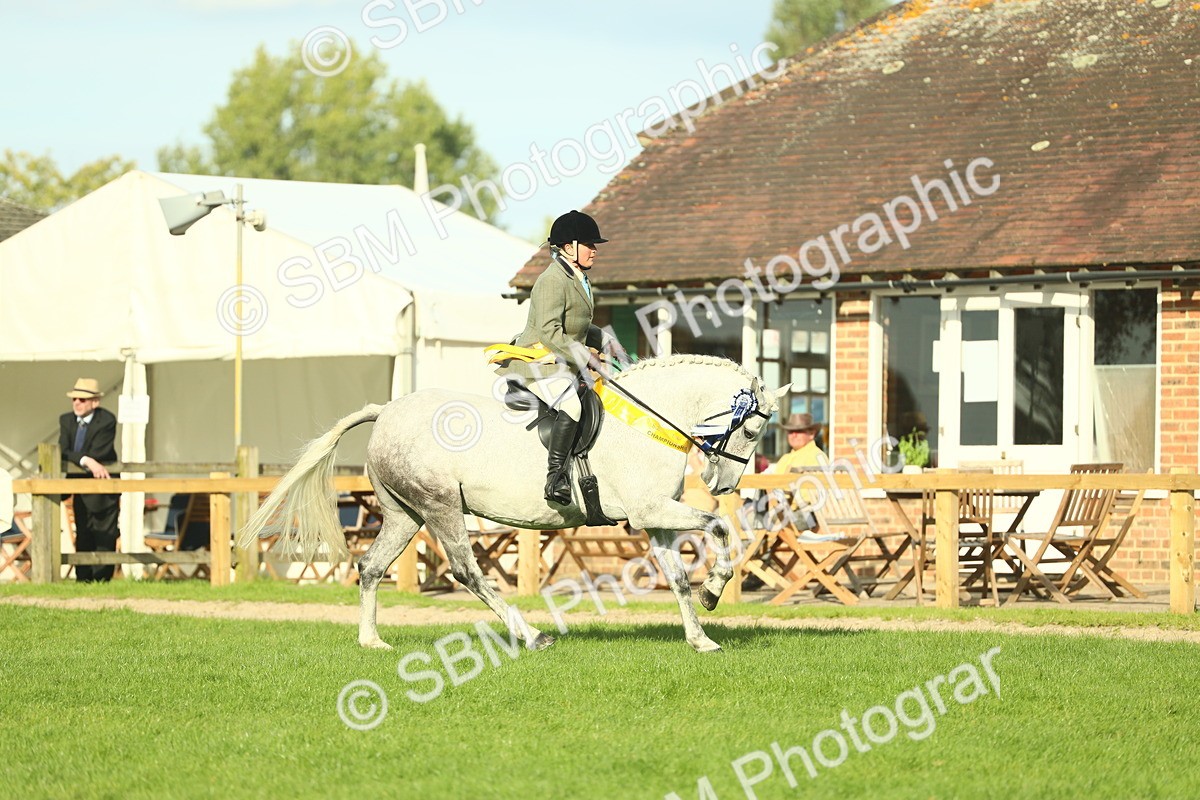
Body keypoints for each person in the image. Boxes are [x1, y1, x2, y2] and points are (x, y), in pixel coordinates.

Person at [494, 210, 629, 505]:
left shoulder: (578, 277)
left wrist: (605, 341)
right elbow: (550, 333)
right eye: (589, 245)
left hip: (561, 360)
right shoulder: (552, 280)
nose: (595, 250)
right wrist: (586, 355)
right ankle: (555, 479)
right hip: (537, 362)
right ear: (569, 248)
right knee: (571, 404)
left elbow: (576, 324)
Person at [59, 378, 120, 582]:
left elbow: (99, 451)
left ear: (95, 402)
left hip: (103, 488)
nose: (77, 403)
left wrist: (88, 458)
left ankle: (102, 579)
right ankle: (83, 579)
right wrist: (87, 461)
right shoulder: (66, 420)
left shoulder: (107, 420)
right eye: (75, 398)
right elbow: (63, 451)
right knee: (83, 532)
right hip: (79, 486)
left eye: (83, 400)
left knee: (105, 533)